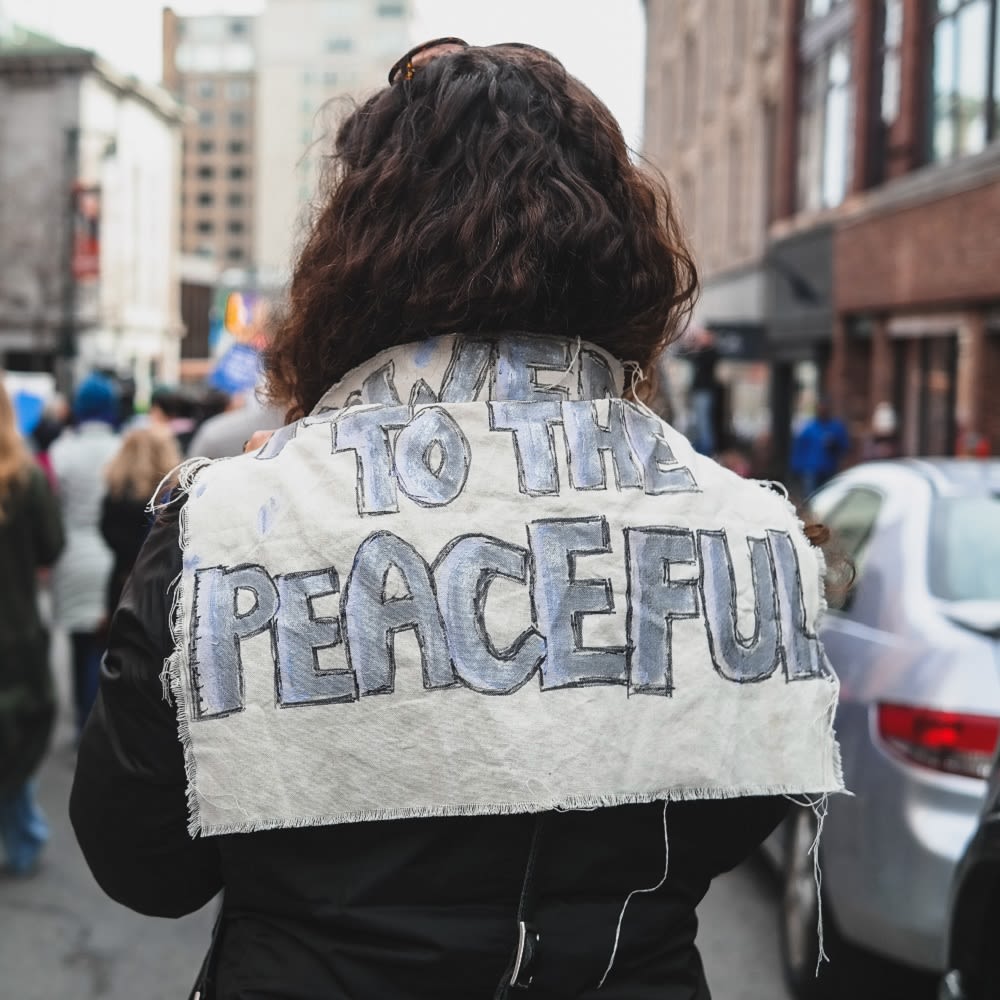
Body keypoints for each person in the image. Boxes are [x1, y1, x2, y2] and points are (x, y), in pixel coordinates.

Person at [71, 40, 843, 1000]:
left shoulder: (225, 527)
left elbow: (141, 863)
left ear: (350, 257)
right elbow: (732, 810)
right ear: (623, 251)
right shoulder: (748, 530)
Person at [0, 380, 64, 875]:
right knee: (17, 734)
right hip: (15, 626)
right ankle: (22, 838)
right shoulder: (25, 478)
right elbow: (50, 546)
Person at [49, 373, 120, 737]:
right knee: (107, 648)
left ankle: (82, 721)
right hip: (111, 558)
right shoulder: (121, 449)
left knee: (79, 647)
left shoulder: (61, 452)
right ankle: (99, 725)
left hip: (72, 557)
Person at [100, 426, 182, 619]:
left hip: (123, 581)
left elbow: (107, 534)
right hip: (166, 588)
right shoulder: (172, 502)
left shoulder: (115, 498)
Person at [790, 398, 850, 497]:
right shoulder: (808, 427)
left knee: (827, 497)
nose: (823, 411)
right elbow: (799, 449)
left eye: (825, 409)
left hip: (829, 469)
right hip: (810, 470)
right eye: (820, 409)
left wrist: (835, 445)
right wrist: (795, 468)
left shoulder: (836, 427)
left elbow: (845, 447)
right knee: (811, 497)